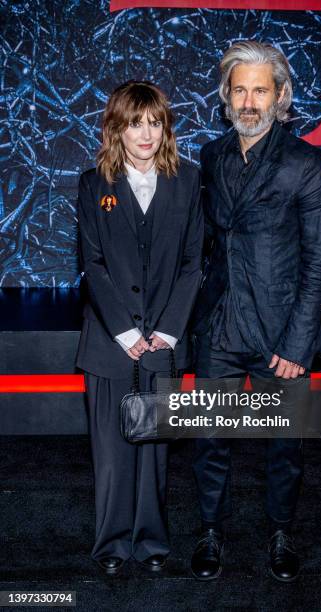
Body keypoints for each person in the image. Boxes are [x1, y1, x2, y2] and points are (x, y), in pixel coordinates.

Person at [191, 41, 321, 582]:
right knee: (209, 440)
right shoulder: (212, 156)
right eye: (239, 89)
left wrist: (300, 343)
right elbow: (203, 243)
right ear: (226, 96)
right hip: (222, 326)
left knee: (283, 445)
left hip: (281, 333)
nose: (249, 101)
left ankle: (280, 532)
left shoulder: (305, 164)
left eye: (260, 90)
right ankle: (211, 529)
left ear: (280, 97)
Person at [76, 80, 203, 575]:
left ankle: (151, 543)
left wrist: (166, 332)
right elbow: (93, 263)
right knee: (111, 454)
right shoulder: (94, 184)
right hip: (110, 347)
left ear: (164, 127)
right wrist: (126, 333)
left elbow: (194, 262)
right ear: (117, 129)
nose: (145, 134)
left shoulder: (188, 181)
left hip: (163, 347)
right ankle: (111, 545)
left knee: (154, 455)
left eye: (154, 122)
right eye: (135, 123)